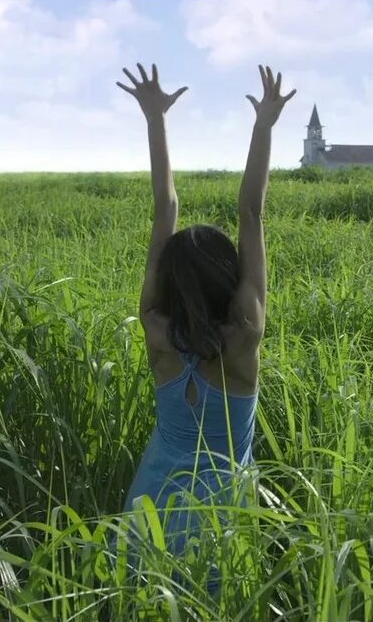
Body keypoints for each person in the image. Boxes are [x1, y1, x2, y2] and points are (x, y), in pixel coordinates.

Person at [114, 62, 295, 578]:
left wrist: (155, 119)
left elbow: (163, 210)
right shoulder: (244, 344)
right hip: (224, 518)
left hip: (149, 506)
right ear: (230, 279)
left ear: (169, 280)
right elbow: (251, 214)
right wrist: (263, 126)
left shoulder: (155, 330)